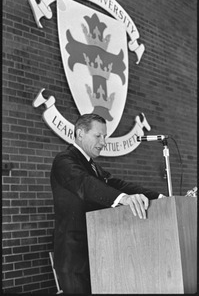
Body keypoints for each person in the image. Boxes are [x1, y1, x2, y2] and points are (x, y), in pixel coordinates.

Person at [50, 113, 166, 294]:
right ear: (80, 134)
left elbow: (118, 184)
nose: (103, 142)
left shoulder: (91, 165)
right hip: (74, 259)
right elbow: (85, 184)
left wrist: (160, 198)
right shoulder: (64, 160)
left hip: (97, 253)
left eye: (105, 136)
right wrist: (124, 199)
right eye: (98, 136)